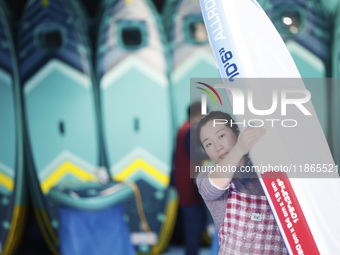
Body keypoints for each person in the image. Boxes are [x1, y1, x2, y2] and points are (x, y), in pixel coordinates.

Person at [196, 111, 288, 254]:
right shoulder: (206, 177)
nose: (217, 147)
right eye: (208, 144)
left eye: (221, 136)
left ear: (237, 133)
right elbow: (214, 186)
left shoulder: (266, 170)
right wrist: (239, 148)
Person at [173, 102, 207, 255]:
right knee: (194, 223)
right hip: (189, 183)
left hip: (183, 180)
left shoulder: (183, 128)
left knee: (193, 221)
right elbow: (196, 154)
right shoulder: (191, 129)